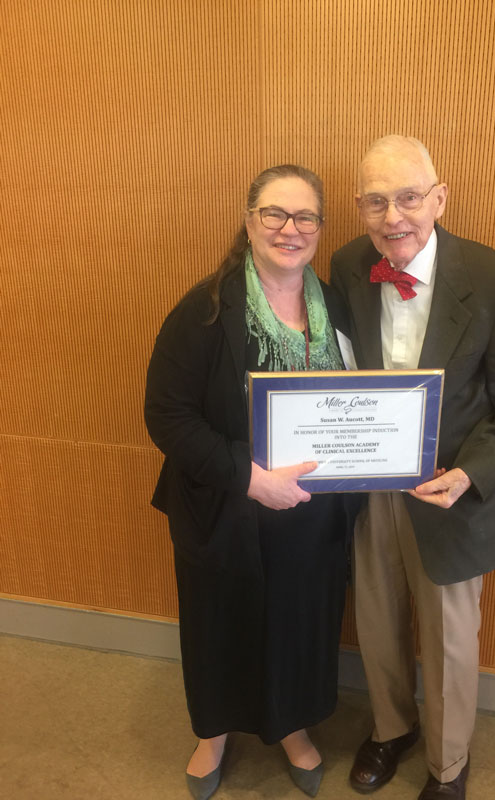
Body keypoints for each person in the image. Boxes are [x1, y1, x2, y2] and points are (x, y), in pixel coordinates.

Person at [330, 135, 495, 800]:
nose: (393, 216)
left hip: (451, 489)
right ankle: (393, 727)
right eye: (376, 201)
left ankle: (449, 764)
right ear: (359, 207)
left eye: (408, 197)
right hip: (371, 483)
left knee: (450, 635)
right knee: (377, 614)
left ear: (440, 198)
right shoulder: (344, 265)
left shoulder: (494, 278)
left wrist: (471, 472)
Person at [145, 164, 352, 800]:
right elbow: (166, 415)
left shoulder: (335, 303)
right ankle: (214, 732)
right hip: (224, 505)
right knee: (218, 621)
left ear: (320, 227)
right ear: (249, 220)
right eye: (275, 214)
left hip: (311, 511)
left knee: (299, 619)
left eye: (305, 217)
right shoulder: (205, 308)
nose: (291, 229)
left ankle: (290, 727)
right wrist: (248, 477)